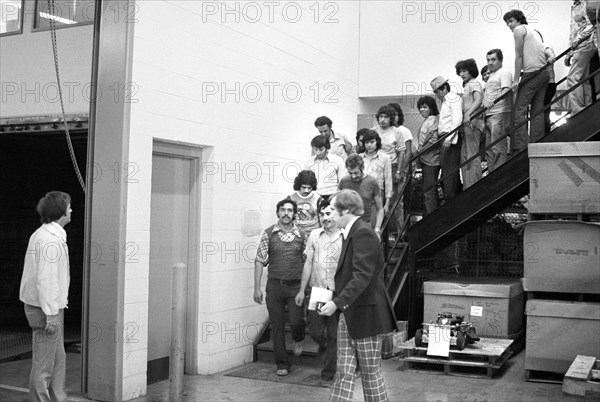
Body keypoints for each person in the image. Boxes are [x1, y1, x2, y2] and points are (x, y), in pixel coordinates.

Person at [318, 189, 397, 402]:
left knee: (370, 374)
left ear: (346, 210)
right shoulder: (350, 232)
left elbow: (362, 276)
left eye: (333, 210)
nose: (329, 214)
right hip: (350, 311)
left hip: (367, 314)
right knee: (343, 372)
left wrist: (336, 303)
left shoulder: (363, 233)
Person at [20, 191, 72, 402]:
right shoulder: (49, 240)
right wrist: (50, 314)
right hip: (44, 309)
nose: (71, 210)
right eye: (69, 206)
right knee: (44, 366)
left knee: (58, 359)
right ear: (60, 211)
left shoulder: (46, 235)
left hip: (49, 307)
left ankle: (59, 398)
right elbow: (47, 279)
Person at [254, 199, 307, 376]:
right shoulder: (268, 234)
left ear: (294, 214)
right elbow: (260, 260)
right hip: (274, 287)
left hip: (295, 287)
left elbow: (308, 263)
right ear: (278, 213)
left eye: (290, 210)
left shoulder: (302, 234)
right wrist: (257, 288)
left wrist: (306, 288)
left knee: (296, 322)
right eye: (282, 210)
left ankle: (299, 338)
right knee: (277, 326)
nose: (286, 213)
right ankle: (282, 364)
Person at [294, 199, 342, 385]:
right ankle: (322, 346)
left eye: (329, 214)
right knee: (314, 330)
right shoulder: (314, 235)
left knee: (334, 334)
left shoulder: (345, 236)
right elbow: (308, 263)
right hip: (319, 290)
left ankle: (328, 373)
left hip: (338, 292)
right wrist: (301, 290)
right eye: (322, 214)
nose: (325, 218)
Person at [504, 9, 550, 152]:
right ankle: (537, 143)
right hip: (544, 73)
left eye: (511, 21)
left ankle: (521, 147)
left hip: (532, 72)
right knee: (537, 110)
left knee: (518, 110)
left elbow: (519, 57)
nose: (509, 25)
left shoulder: (519, 30)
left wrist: (516, 79)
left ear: (519, 20)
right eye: (507, 23)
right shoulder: (534, 31)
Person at [372, 105, 412, 232]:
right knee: (377, 199)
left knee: (395, 202)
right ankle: (379, 230)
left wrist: (400, 171)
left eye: (386, 117)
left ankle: (399, 232)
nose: (383, 120)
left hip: (393, 166)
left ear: (391, 119)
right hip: (376, 166)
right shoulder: (373, 131)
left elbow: (402, 152)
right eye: (381, 117)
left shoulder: (397, 132)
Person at [430, 76, 463, 202]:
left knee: (449, 173)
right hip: (445, 137)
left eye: (438, 91)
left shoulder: (452, 97)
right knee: (447, 172)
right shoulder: (445, 100)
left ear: (444, 88)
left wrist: (450, 138)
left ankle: (452, 200)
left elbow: (457, 119)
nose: (437, 94)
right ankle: (454, 198)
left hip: (449, 137)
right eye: (436, 92)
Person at [338, 154, 384, 239]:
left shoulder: (372, 182)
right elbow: (337, 205)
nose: (353, 176)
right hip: (345, 227)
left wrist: (377, 229)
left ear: (362, 168)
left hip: (365, 225)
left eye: (356, 173)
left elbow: (380, 209)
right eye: (350, 173)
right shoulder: (344, 181)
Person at [482, 48, 513, 172]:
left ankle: (500, 175)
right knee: (489, 149)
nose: (490, 62)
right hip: (489, 115)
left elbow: (506, 90)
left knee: (497, 147)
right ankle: (492, 175)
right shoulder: (492, 75)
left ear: (501, 60)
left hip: (499, 113)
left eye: (493, 59)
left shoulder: (504, 72)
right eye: (488, 60)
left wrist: (492, 101)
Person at [566, 0, 598, 115]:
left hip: (586, 43)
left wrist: (578, 39)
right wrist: (569, 52)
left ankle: (578, 109)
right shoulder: (575, 6)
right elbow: (573, 29)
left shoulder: (587, 3)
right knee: (583, 78)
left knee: (572, 77)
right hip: (580, 45)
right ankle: (587, 105)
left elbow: (591, 24)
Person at [455, 58, 484, 189]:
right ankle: (468, 186)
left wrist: (468, 114)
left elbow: (478, 99)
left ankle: (474, 186)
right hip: (468, 123)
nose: (462, 74)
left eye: (464, 70)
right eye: (460, 71)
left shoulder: (474, 83)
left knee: (472, 155)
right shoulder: (467, 85)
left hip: (473, 121)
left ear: (471, 70)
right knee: (465, 156)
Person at [358, 129, 393, 220]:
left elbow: (388, 181)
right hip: (360, 194)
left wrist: (387, 203)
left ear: (377, 142)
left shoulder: (385, 158)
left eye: (372, 142)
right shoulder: (359, 157)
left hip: (377, 194)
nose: (369, 145)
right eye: (366, 142)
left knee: (374, 225)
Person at [416, 96, 441, 215]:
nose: (422, 110)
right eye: (420, 107)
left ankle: (431, 217)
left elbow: (433, 140)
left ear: (431, 108)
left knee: (429, 191)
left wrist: (419, 152)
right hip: (426, 160)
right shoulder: (426, 121)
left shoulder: (433, 120)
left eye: (425, 107)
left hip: (432, 160)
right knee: (429, 191)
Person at [304, 135, 347, 203]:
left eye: (321, 149)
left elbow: (343, 181)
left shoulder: (338, 160)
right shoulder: (308, 163)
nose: (318, 152)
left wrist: (337, 197)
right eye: (315, 149)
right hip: (314, 197)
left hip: (332, 196)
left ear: (327, 148)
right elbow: (305, 182)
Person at [289, 170, 323, 235]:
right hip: (296, 235)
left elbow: (322, 219)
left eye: (309, 188)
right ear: (299, 186)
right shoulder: (291, 198)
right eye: (304, 187)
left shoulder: (318, 199)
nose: (306, 191)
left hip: (313, 234)